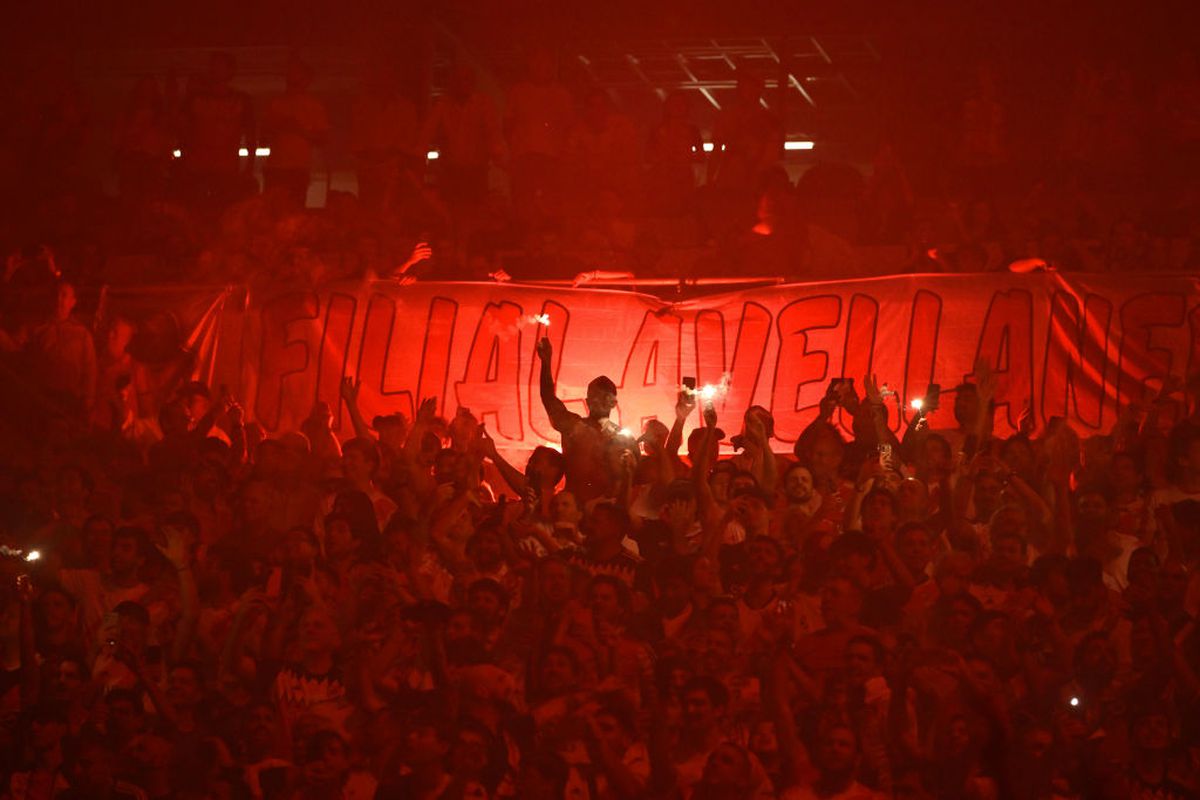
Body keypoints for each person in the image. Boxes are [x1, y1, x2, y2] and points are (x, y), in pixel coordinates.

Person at [261, 58, 330, 207]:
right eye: (290, 73)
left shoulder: (314, 107)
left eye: (297, 73)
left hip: (298, 169)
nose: (292, 76)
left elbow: (323, 139)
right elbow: (264, 137)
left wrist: (300, 131)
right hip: (275, 168)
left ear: (307, 79)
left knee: (294, 214)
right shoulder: (276, 104)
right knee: (271, 212)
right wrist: (278, 128)